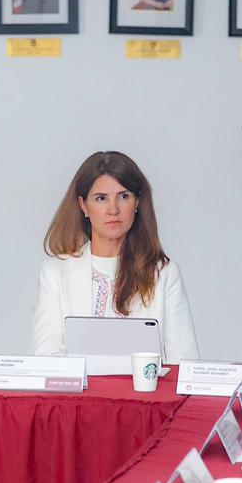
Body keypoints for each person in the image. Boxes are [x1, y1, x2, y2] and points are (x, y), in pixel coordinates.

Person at [31, 151, 199, 364]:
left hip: (145, 387)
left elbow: (184, 365)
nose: (113, 210)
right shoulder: (55, 273)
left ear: (137, 202)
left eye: (123, 196)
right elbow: (45, 359)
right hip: (78, 388)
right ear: (83, 205)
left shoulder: (164, 274)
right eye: (101, 199)